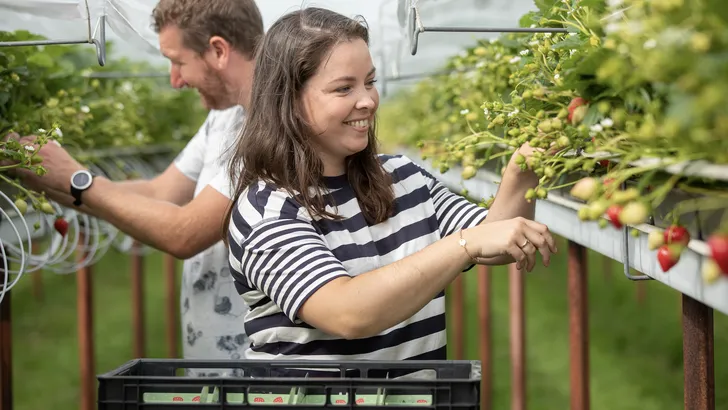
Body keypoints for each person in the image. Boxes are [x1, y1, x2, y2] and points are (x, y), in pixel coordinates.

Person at [223, 7, 557, 363]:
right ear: (289, 101)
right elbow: (348, 314)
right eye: (344, 88)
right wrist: (463, 244)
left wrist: (522, 172)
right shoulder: (266, 209)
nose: (367, 100)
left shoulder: (402, 179)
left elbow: (498, 240)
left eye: (369, 81)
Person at [9, 0, 264, 370]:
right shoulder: (224, 119)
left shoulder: (270, 128)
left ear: (219, 50)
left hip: (259, 375)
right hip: (218, 365)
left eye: (178, 61)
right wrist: (49, 178)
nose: (175, 80)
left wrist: (77, 180)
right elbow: (159, 193)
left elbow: (185, 232)